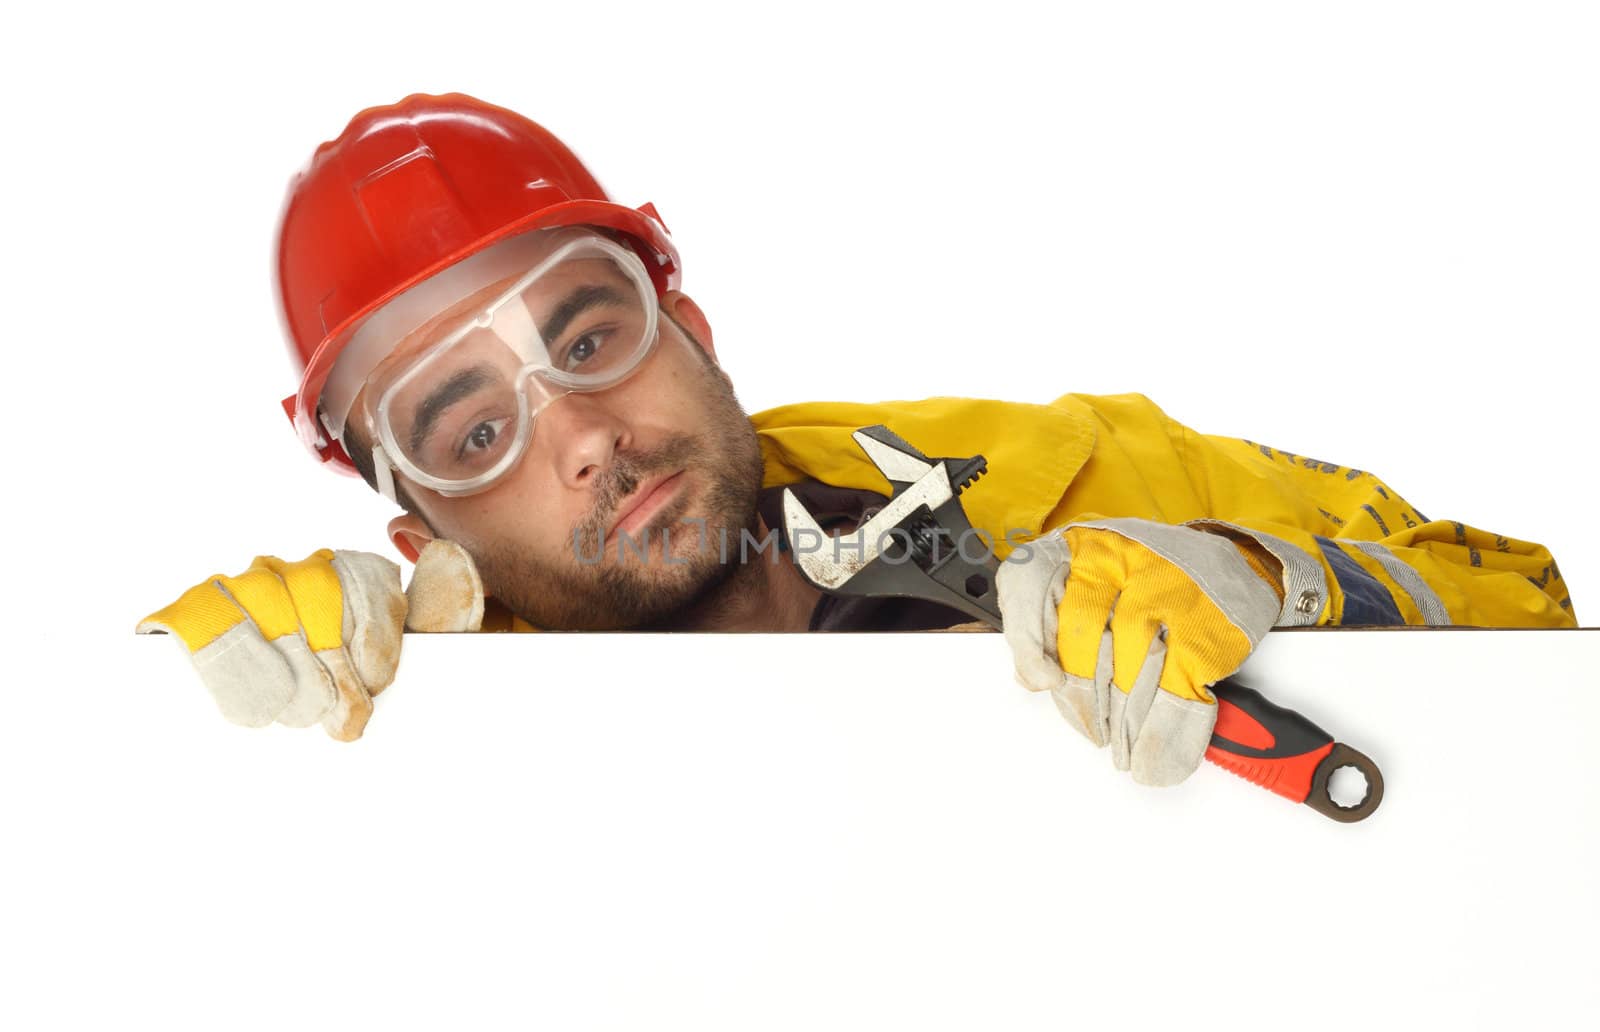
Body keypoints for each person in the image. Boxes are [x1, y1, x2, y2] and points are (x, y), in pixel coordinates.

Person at [138, 93, 1577, 785]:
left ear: (690, 333)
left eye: (590, 338)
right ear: (419, 536)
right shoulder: (414, 737)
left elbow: (1537, 613)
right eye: (471, 432)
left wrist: (1272, 581)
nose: (582, 434)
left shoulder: (1078, 472)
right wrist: (225, 739)